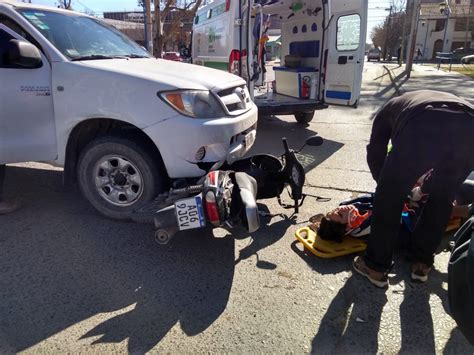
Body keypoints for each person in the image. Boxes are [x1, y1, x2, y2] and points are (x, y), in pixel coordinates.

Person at [353, 90, 474, 288]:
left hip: (424, 123)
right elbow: (441, 167)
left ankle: (375, 267)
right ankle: (422, 263)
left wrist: (385, 184)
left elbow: (376, 151)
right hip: (470, 128)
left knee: (388, 198)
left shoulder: (387, 111)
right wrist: (422, 190)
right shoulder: (418, 100)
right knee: (443, 198)